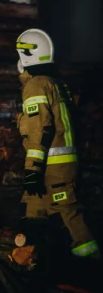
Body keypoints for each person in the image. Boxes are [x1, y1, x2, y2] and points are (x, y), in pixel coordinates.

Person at [16, 28, 98, 261]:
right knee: (35, 210)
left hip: (52, 166)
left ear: (27, 56)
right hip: (58, 164)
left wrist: (32, 168)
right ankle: (37, 264)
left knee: (66, 214)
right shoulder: (56, 84)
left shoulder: (36, 86)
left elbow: (40, 128)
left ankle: (91, 264)